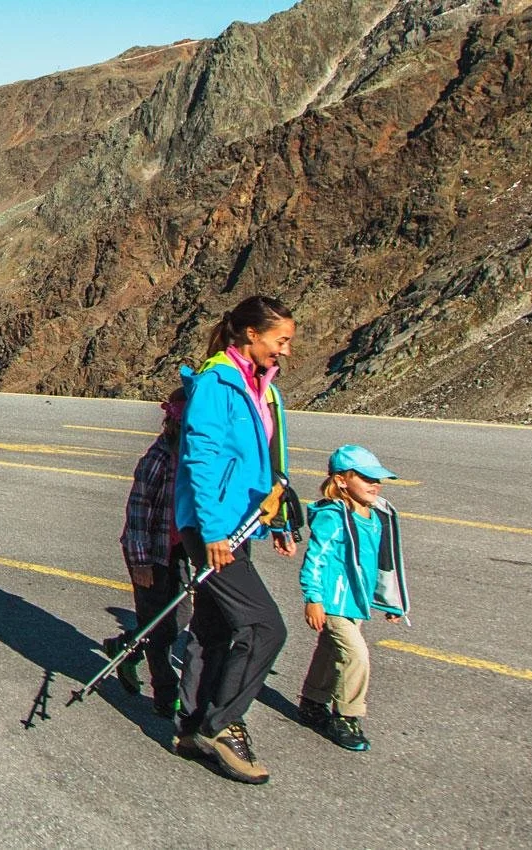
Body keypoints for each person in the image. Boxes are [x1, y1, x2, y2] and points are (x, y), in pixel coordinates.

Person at [173, 294, 298, 785]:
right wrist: (214, 532)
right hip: (213, 528)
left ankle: (188, 727)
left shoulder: (262, 386)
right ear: (251, 334)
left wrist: (282, 521)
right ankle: (221, 725)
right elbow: (200, 461)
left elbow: (269, 463)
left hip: (239, 523)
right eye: (280, 341)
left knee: (213, 625)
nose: (285, 351)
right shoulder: (217, 383)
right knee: (265, 626)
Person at [297, 445, 409, 752]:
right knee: (355, 655)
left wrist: (391, 600)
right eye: (365, 477)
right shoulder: (333, 518)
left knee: (329, 652)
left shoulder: (375, 516)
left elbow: (383, 562)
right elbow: (315, 558)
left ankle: (312, 701)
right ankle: (346, 716)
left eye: (378, 478)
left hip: (354, 603)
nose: (375, 484)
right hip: (332, 602)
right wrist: (313, 598)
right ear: (342, 480)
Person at [112, 388, 190, 716]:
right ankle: (165, 695)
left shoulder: (193, 459)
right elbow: (139, 511)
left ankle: (126, 647)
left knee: (179, 615)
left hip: (178, 551)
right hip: (148, 553)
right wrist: (141, 562)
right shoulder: (158, 458)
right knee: (160, 628)